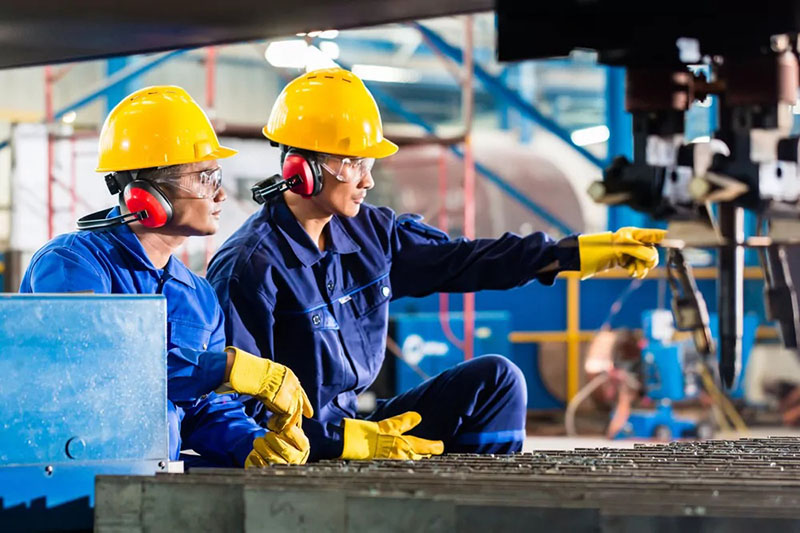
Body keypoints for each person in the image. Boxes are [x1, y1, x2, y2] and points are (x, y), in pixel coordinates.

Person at [207, 68, 666, 462]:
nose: (368, 179)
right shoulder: (252, 267)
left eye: (369, 163)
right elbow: (240, 416)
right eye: (352, 163)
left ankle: (485, 510)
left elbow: (464, 260)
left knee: (497, 381)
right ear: (299, 170)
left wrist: (570, 253)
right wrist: (341, 441)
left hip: (358, 425)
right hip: (300, 449)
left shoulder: (372, 233)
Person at [19, 86, 311, 467]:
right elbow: (97, 369)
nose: (220, 196)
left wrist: (253, 445)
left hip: (143, 486)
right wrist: (223, 367)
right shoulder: (71, 265)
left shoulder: (199, 296)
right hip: (63, 479)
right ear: (146, 194)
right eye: (205, 178)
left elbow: (206, 411)